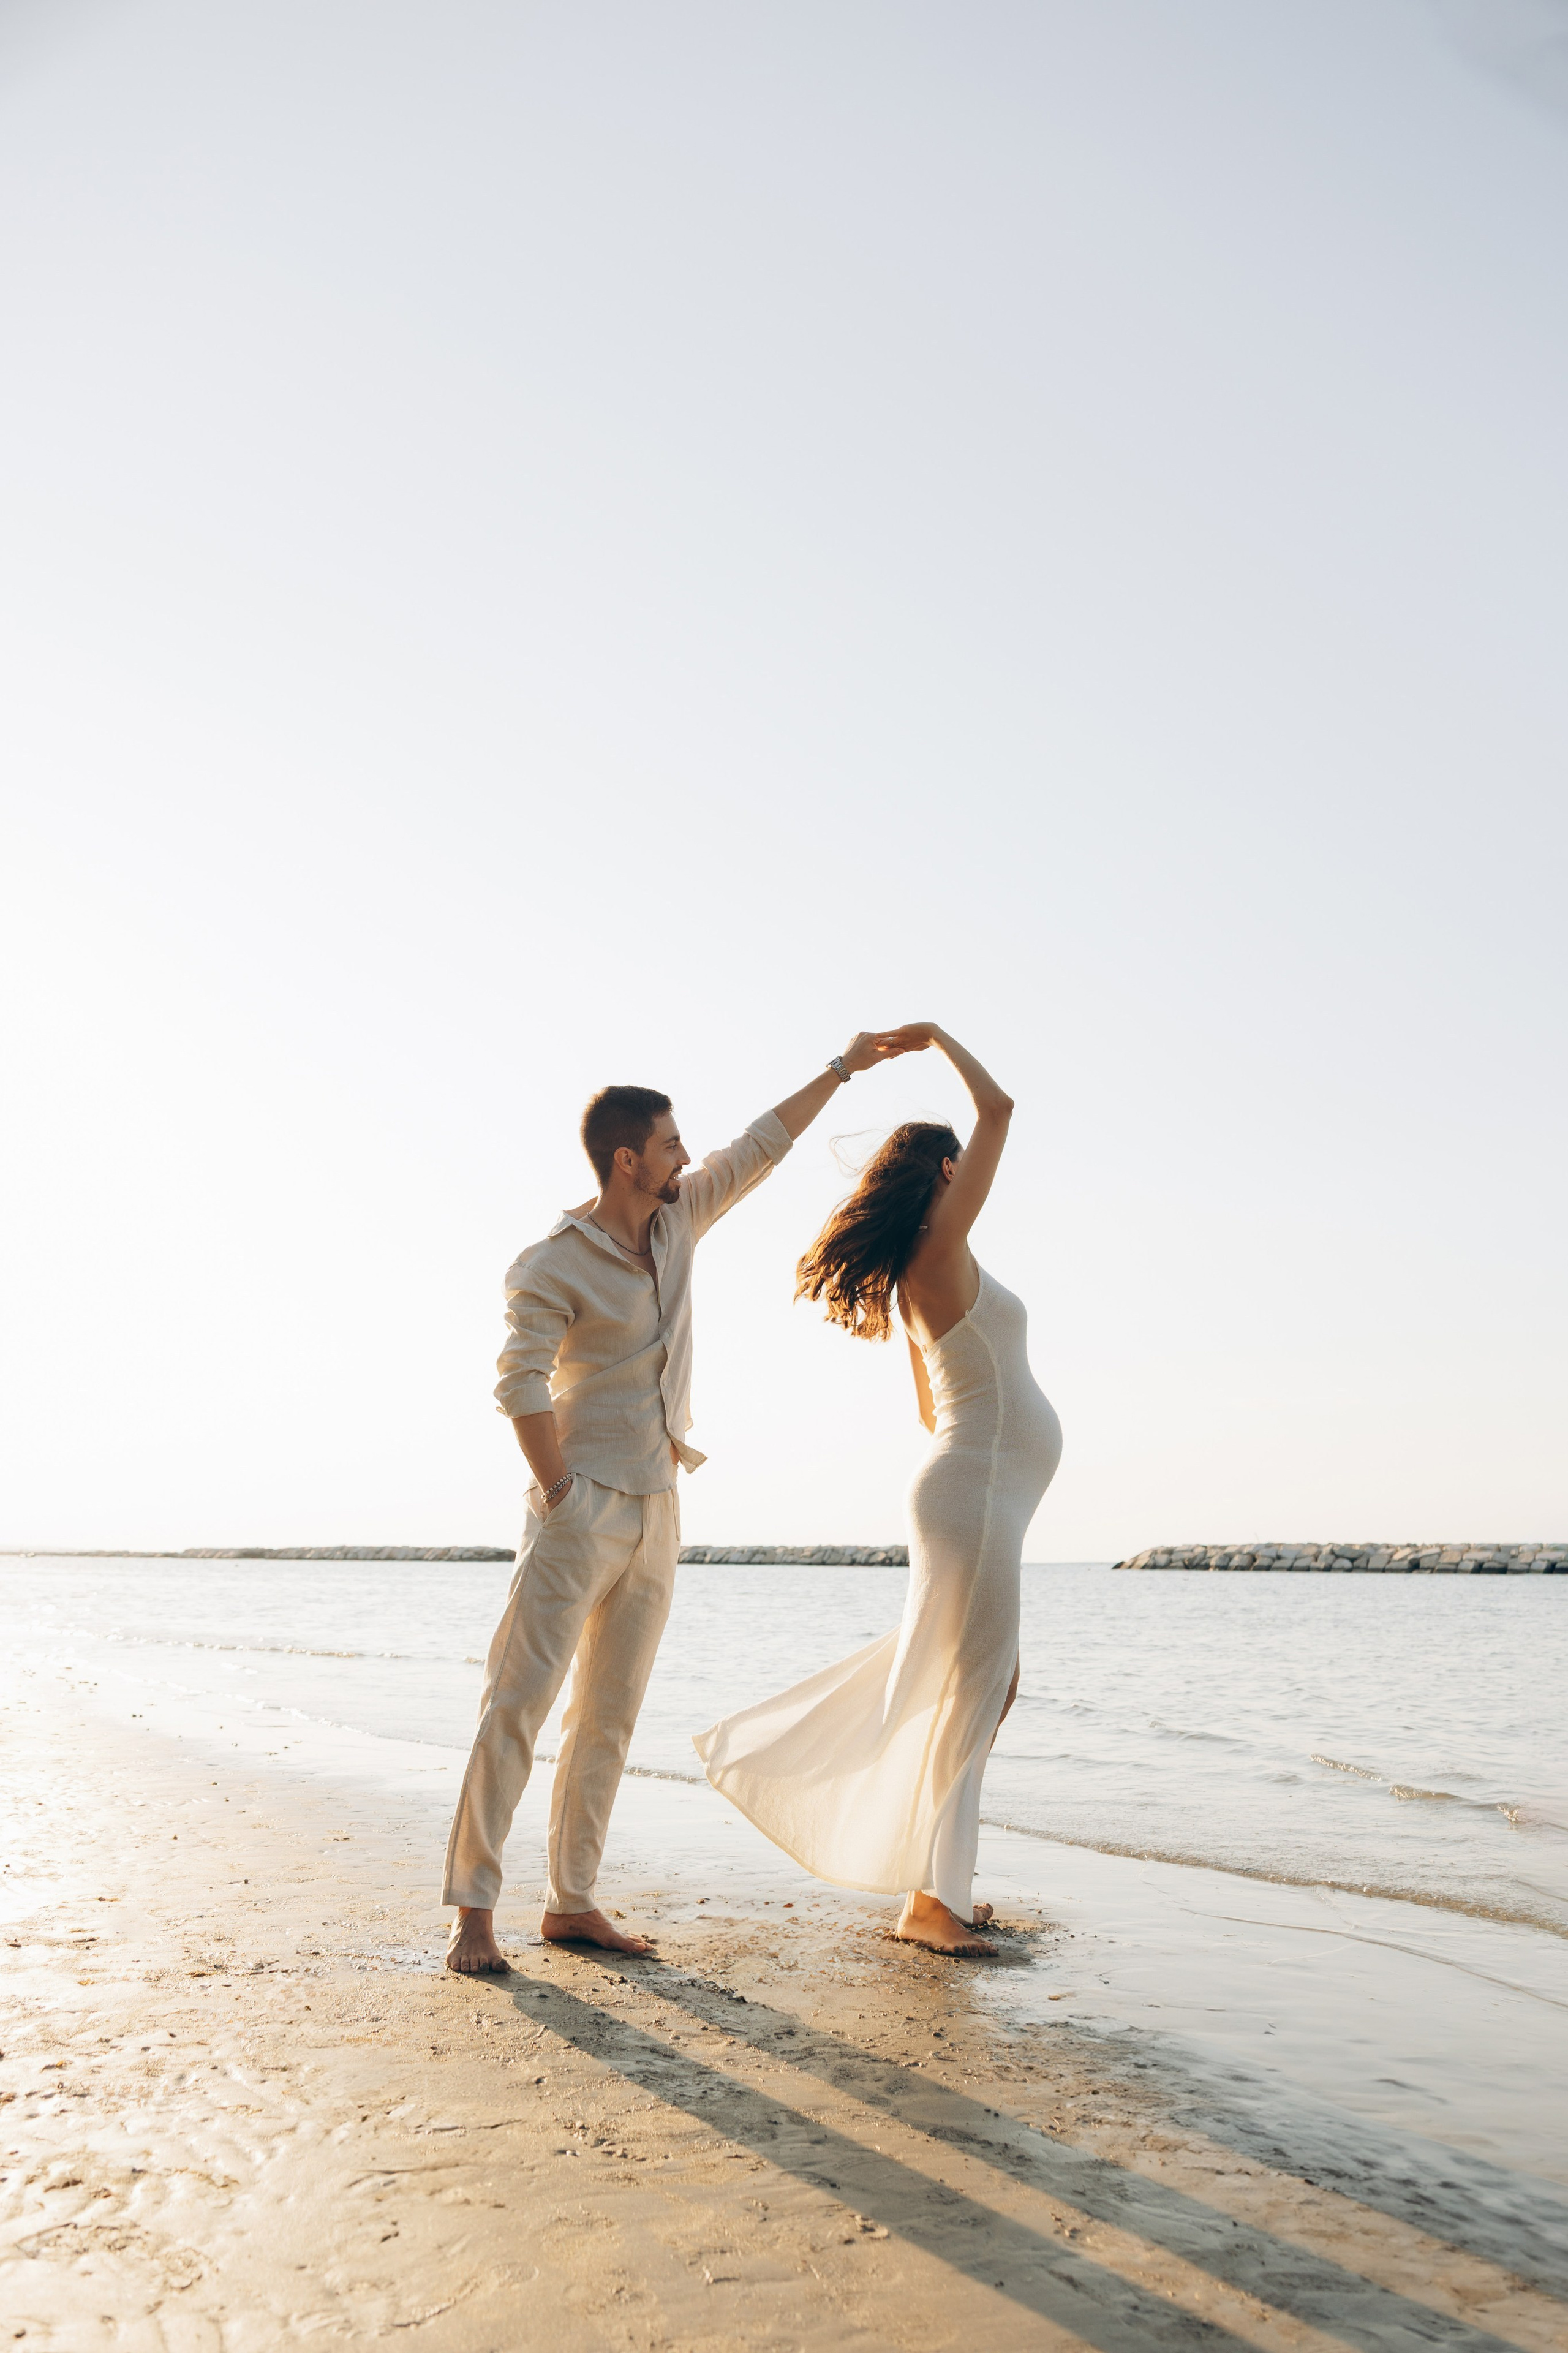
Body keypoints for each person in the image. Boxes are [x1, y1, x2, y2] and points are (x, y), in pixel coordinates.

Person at [442, 1034, 908, 1973]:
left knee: (608, 1717)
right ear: (628, 1159)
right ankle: (473, 1914)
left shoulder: (679, 1219)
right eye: (669, 1144)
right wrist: (560, 1490)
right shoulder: (550, 1263)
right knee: (518, 1705)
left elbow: (761, 1145)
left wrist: (843, 1067)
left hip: (660, 1504)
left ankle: (572, 1902)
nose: (686, 1156)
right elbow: (520, 1382)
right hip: (579, 1509)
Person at [694, 1024, 1061, 1955]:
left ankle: (940, 1885)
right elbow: (1000, 1108)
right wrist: (936, 1038)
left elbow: (930, 1406)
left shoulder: (925, 1270)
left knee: (979, 1685)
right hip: (976, 1491)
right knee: (974, 1690)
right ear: (945, 1173)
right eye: (959, 1166)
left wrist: (986, 1450)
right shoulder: (940, 1247)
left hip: (973, 1488)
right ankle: (930, 1905)